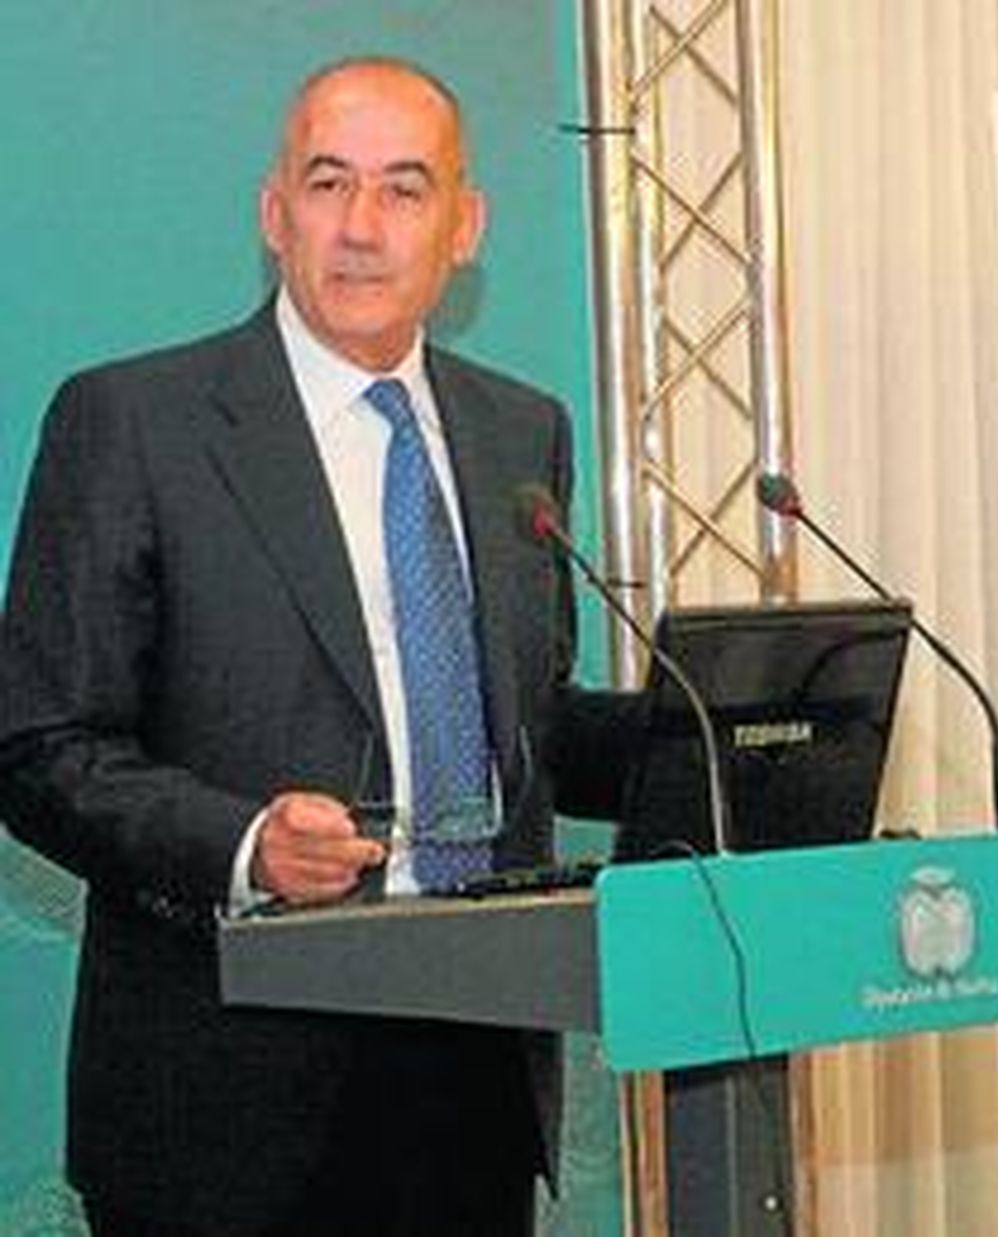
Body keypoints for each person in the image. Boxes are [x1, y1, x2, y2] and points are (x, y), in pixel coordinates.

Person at [0, 56, 633, 1237]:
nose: (360, 227)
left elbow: (524, 724)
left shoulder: (519, 431)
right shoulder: (135, 423)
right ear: (273, 211)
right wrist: (241, 843)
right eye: (328, 183)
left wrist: (728, 732)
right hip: (227, 1098)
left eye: (404, 189)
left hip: (472, 1072)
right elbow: (38, 743)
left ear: (465, 225)